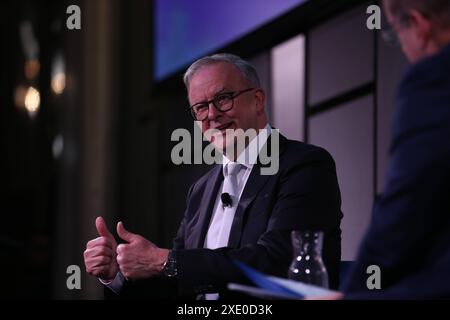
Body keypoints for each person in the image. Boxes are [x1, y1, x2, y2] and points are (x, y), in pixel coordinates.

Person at [84, 53, 343, 299]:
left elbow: (279, 261)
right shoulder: (201, 189)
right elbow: (177, 283)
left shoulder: (304, 165)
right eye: (200, 107)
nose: (212, 115)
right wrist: (115, 275)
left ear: (257, 100)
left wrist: (164, 260)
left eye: (223, 99)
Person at [325, 0, 450, 299]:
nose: (404, 51)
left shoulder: (435, 77)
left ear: (419, 26)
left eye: (395, 35)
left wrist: (350, 296)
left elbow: (405, 210)